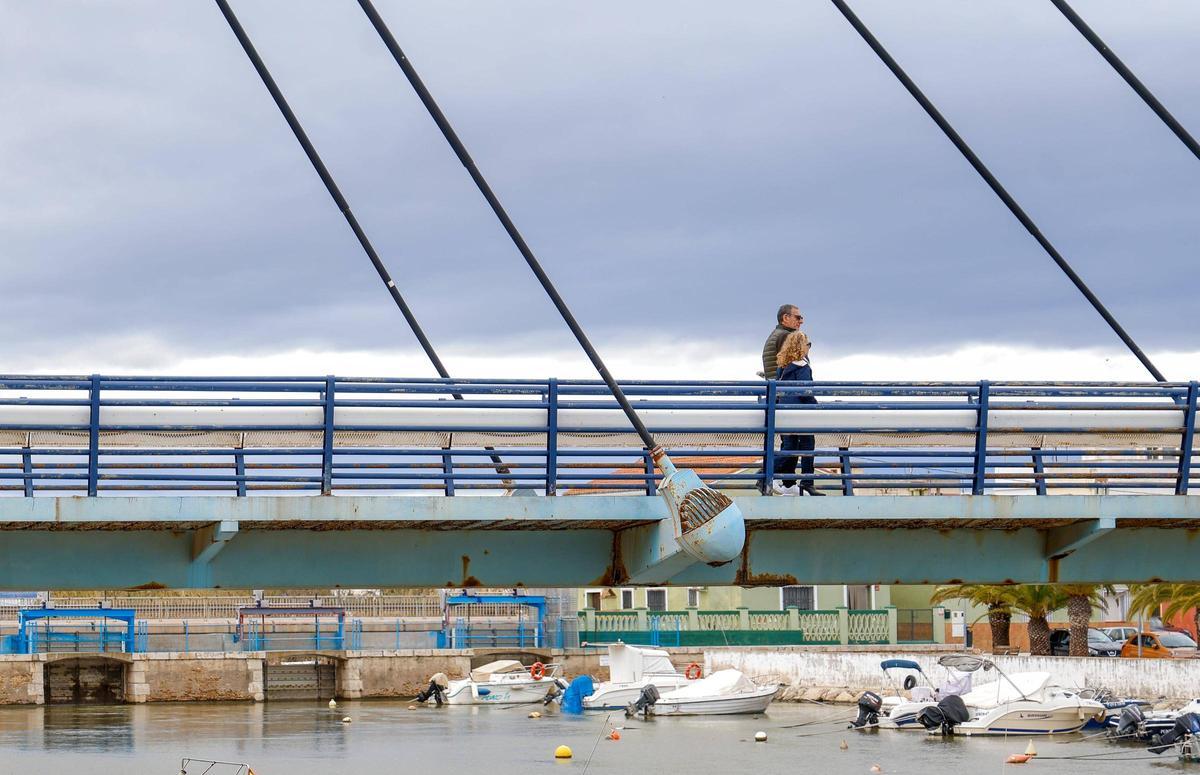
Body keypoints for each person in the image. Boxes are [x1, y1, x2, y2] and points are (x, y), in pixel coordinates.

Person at [772, 330, 823, 496]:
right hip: (800, 413)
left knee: (790, 447)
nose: (809, 348)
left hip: (784, 413)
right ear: (802, 346)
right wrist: (816, 407)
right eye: (808, 344)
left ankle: (787, 483)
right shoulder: (803, 367)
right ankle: (807, 483)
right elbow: (805, 392)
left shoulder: (783, 367)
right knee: (808, 445)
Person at [760, 304, 804, 379]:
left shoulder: (777, 334)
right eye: (798, 318)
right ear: (786, 318)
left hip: (776, 387)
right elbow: (796, 367)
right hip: (784, 388)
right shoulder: (786, 336)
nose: (801, 321)